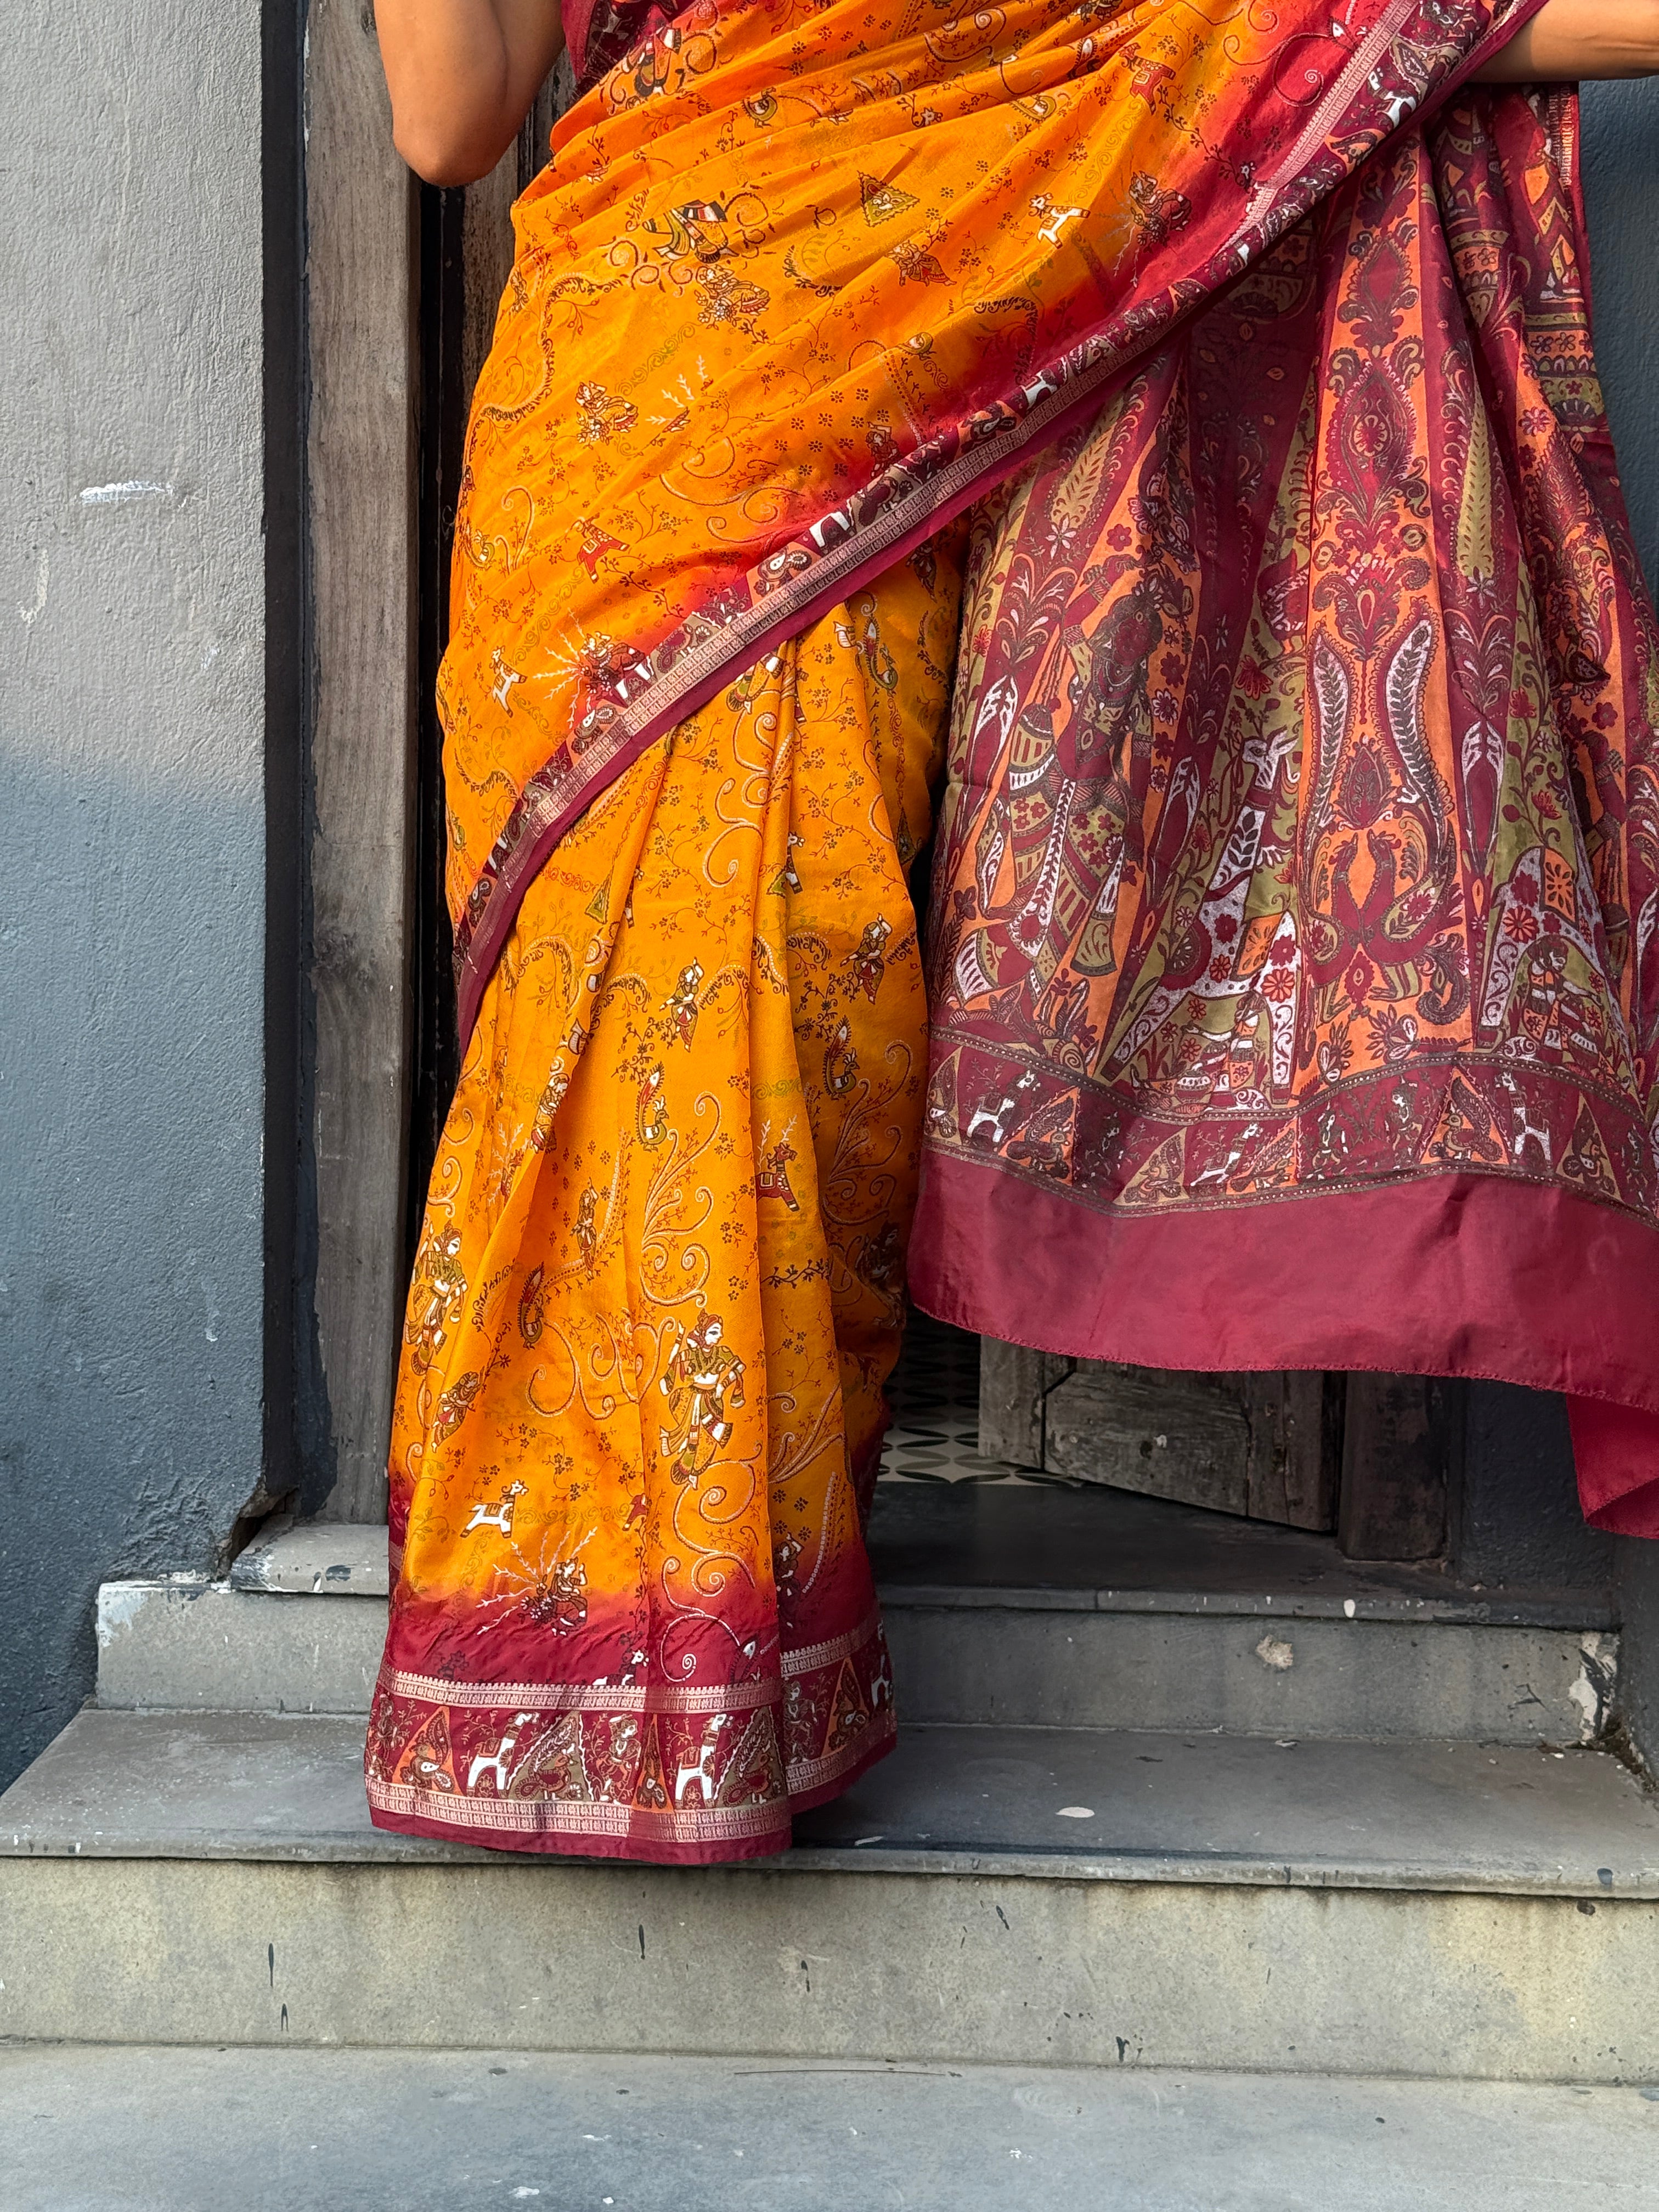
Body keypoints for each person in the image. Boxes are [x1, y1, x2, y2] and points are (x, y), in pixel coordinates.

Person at [365, 0, 1659, 1861]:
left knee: (806, 1005)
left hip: (906, 396)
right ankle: (562, 1666)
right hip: (647, 416)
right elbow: (449, 117)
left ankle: (726, 1666)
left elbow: (1274, 24)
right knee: (626, 1012)